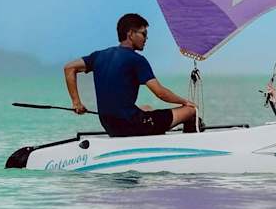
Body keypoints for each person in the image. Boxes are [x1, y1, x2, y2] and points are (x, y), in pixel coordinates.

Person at [63, 13, 196, 137]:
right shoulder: (136, 60)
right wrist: (185, 102)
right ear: (131, 34)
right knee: (191, 111)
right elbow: (160, 93)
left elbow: (69, 68)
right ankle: (189, 145)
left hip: (110, 125)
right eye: (144, 34)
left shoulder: (99, 56)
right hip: (132, 125)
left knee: (146, 108)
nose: (146, 39)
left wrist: (76, 103)